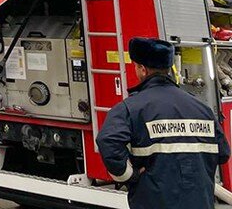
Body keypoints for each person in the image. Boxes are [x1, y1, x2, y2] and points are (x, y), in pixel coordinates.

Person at [97, 37, 230, 209]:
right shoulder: (202, 109)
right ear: (168, 68)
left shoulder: (130, 108)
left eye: (136, 66)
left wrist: (130, 175)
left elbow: (107, 141)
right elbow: (223, 153)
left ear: (142, 69)